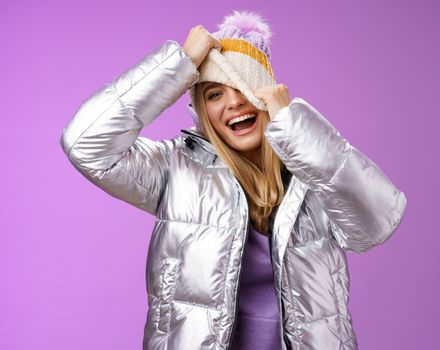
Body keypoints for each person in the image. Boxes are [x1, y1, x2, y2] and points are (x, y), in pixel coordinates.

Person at [60, 10, 407, 350]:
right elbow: (85, 144)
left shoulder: (312, 170)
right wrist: (178, 63)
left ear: (268, 93)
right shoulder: (176, 167)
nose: (234, 102)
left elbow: (377, 221)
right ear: (201, 111)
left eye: (245, 84)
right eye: (215, 94)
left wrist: (294, 124)